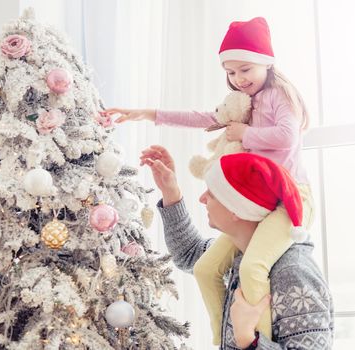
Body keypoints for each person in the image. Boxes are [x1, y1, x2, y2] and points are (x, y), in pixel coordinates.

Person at [103, 17, 314, 345]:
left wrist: (247, 134)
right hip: (258, 204)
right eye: (231, 73)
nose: (238, 79)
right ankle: (222, 338)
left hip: (290, 201)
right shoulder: (243, 103)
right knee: (205, 268)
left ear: (267, 64)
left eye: (245, 69)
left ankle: (255, 339)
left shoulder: (279, 96)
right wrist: (147, 113)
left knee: (253, 266)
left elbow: (288, 136)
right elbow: (202, 118)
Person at [140, 145, 333, 349]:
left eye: (212, 194)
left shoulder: (293, 272)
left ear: (236, 208)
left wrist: (248, 341)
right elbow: (188, 254)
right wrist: (171, 192)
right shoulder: (238, 255)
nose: (202, 199)